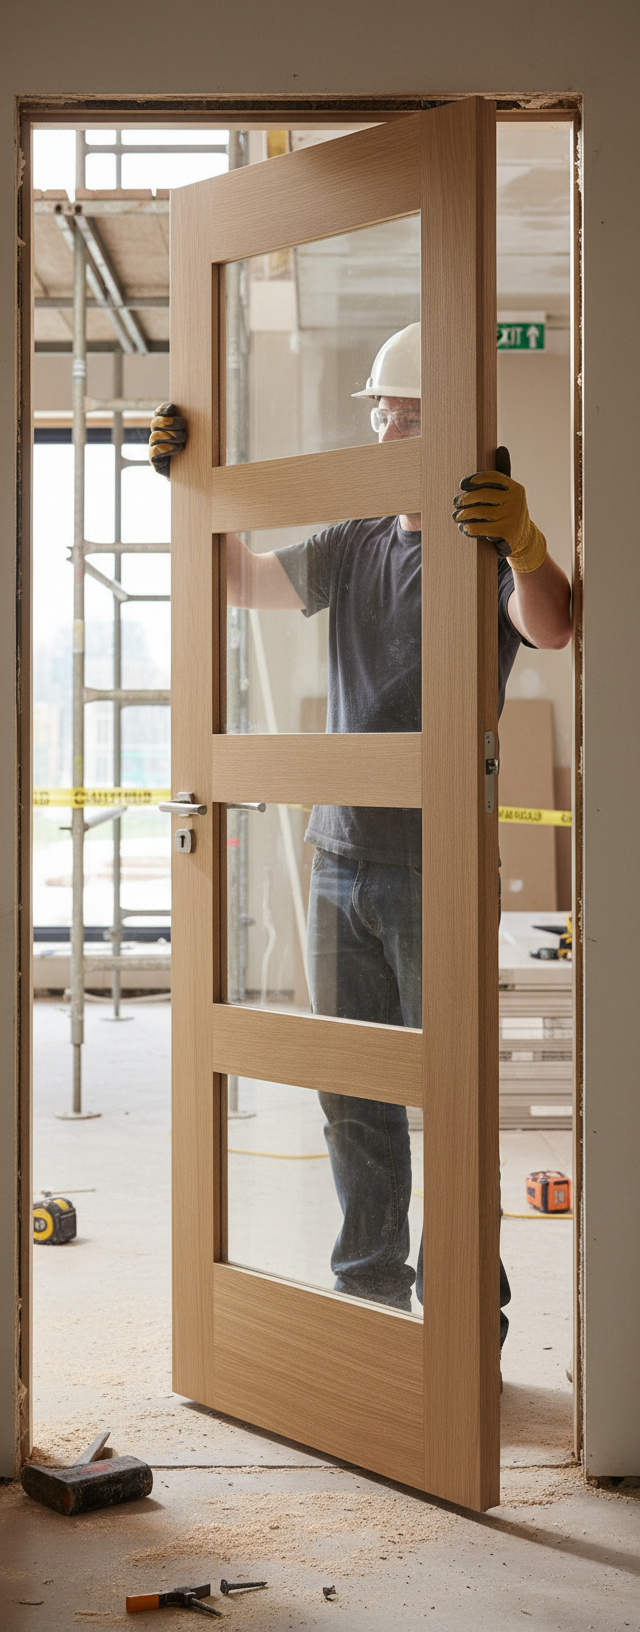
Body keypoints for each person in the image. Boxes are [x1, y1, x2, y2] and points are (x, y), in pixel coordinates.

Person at [151, 321, 572, 1339]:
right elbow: (246, 581)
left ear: (457, 431)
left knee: (450, 1097)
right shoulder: (352, 542)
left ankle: (466, 1302)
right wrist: (192, 489)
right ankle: (371, 1297)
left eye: (409, 413)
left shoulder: (484, 549)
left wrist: (525, 542)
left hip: (439, 873)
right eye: (383, 411)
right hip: (339, 860)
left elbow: (552, 625)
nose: (387, 426)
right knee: (355, 1097)